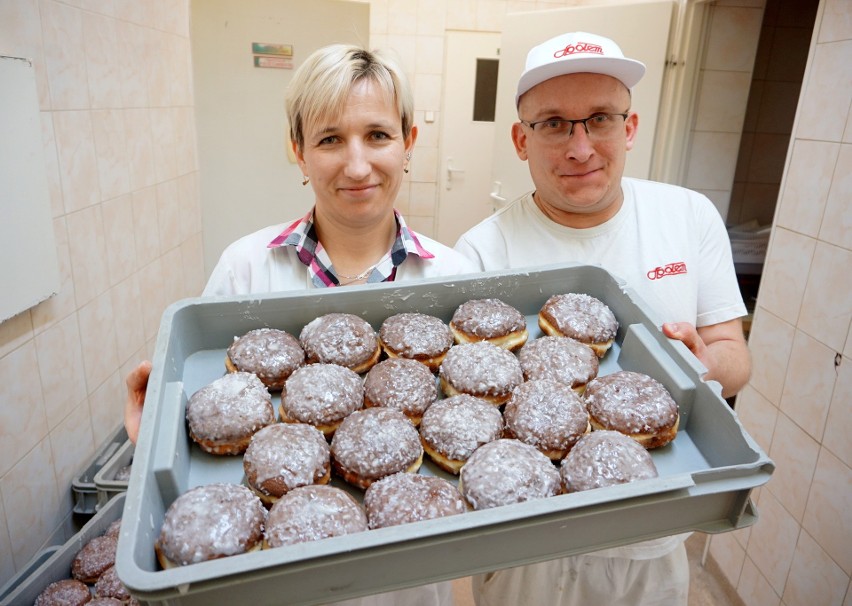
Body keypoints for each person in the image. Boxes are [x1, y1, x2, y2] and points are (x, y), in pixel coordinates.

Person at [125, 43, 478, 606]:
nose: (357, 164)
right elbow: (206, 412)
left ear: (409, 142)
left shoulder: (456, 277)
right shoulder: (245, 269)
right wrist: (155, 445)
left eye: (378, 135)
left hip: (407, 588)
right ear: (298, 150)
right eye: (330, 139)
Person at [454, 31, 751, 605]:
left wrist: (708, 366)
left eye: (600, 119)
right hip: (525, 545)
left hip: (651, 538)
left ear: (630, 128)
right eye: (554, 124)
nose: (580, 146)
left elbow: (734, 357)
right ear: (521, 139)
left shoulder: (687, 217)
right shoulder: (481, 253)